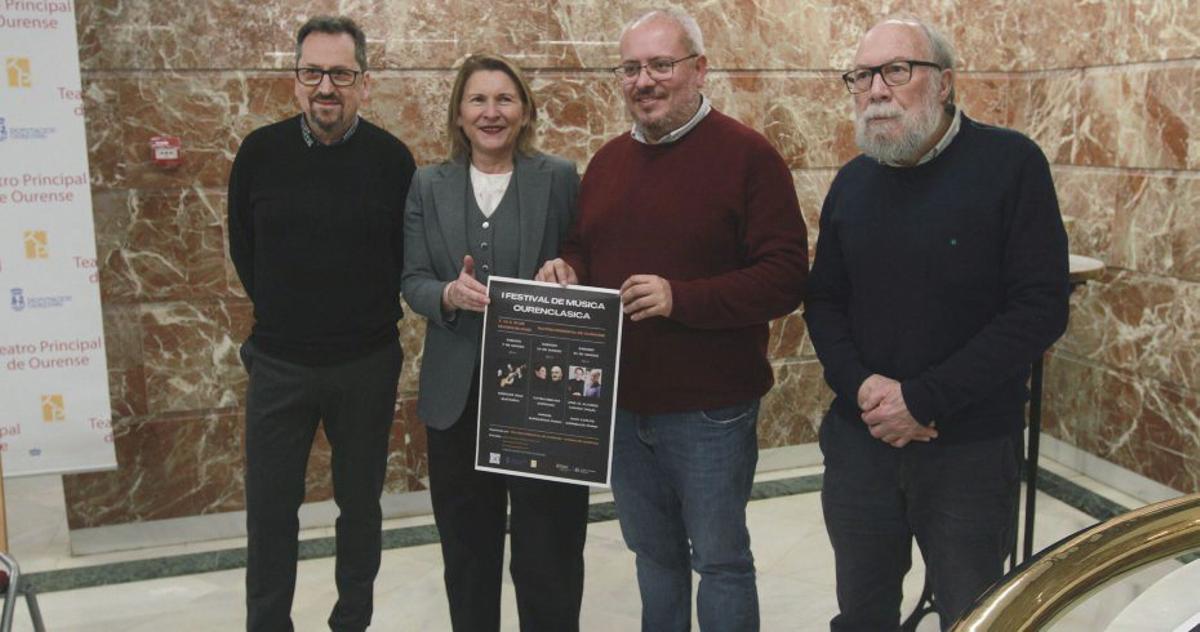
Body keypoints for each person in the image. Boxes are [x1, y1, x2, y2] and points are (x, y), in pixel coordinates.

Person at [536, 8, 808, 630]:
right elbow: (585, 243)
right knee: (653, 556)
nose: (645, 81)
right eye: (631, 68)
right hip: (623, 408)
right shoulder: (606, 161)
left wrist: (681, 298)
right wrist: (567, 268)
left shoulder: (748, 155)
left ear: (699, 69)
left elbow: (786, 275)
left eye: (661, 65)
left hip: (709, 410)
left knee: (719, 562)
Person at [805, 14, 1070, 630]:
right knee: (863, 609)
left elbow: (1039, 307)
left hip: (969, 448)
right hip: (860, 442)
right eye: (862, 76)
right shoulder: (852, 182)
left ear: (945, 83)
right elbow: (823, 302)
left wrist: (922, 399)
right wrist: (865, 389)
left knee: (974, 613)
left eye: (897, 70)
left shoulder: (1011, 165)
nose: (876, 90)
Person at [226, 15, 415, 632]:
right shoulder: (259, 153)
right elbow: (244, 248)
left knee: (359, 507)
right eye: (313, 72)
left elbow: (401, 257)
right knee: (270, 512)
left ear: (364, 81)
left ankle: (350, 621)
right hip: (280, 364)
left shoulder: (393, 160)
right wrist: (288, 316)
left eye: (340, 73)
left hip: (365, 364)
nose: (325, 87)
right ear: (295, 80)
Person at [401, 53, 589, 632]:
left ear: (525, 111)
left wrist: (568, 268)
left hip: (543, 398)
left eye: (505, 99)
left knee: (549, 551)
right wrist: (448, 297)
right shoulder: (427, 184)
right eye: (478, 99)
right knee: (467, 551)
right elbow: (412, 281)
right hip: (456, 398)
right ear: (458, 114)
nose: (491, 112)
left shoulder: (557, 176)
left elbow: (584, 253)